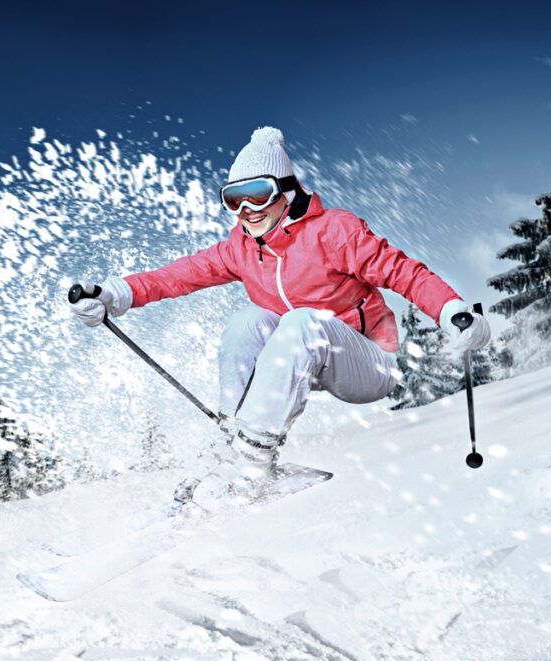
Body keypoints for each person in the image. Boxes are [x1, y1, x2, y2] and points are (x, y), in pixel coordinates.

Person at [70, 126, 491, 505]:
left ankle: (253, 462)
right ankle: (231, 442)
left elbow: (404, 272)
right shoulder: (241, 247)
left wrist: (451, 310)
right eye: (234, 199)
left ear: (286, 192)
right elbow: (177, 276)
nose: (247, 209)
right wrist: (114, 293)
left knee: (302, 321)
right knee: (247, 321)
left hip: (368, 363)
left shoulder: (334, 231)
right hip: (302, 360)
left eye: (258, 193)